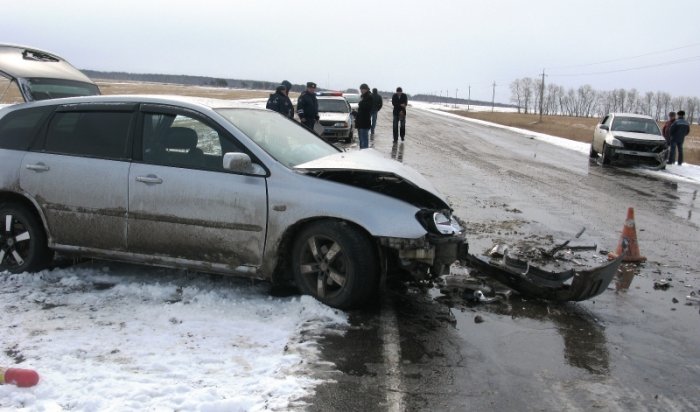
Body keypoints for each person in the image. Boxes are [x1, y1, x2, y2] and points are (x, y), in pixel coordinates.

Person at [353, 84, 373, 149]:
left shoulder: (369, 97)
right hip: (360, 121)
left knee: (364, 140)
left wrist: (361, 104)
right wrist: (356, 113)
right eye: (361, 89)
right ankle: (362, 153)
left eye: (362, 89)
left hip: (364, 121)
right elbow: (361, 111)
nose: (361, 90)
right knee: (361, 140)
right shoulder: (363, 97)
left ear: (366, 89)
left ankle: (365, 154)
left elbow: (367, 108)